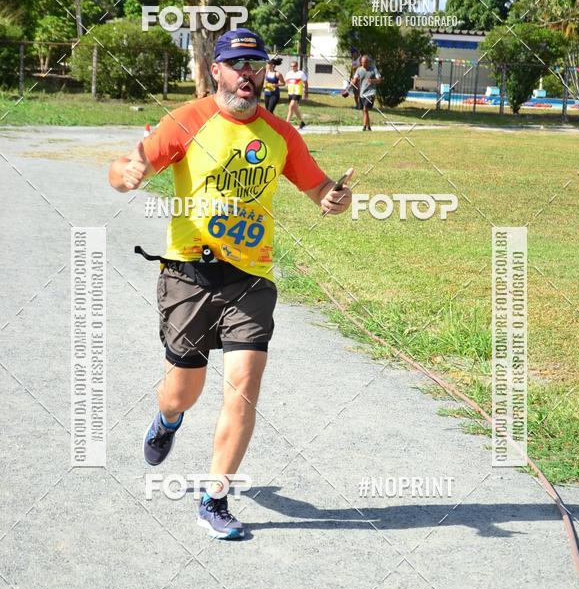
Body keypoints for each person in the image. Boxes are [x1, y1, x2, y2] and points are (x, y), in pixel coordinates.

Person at [108, 28, 353, 540]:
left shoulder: (280, 135)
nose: (248, 74)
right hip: (188, 274)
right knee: (183, 391)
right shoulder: (188, 120)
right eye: (237, 64)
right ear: (216, 70)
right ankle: (167, 419)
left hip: (251, 277)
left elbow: (320, 190)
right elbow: (125, 168)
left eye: (256, 64)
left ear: (266, 72)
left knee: (243, 389)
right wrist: (125, 174)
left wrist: (334, 199)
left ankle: (214, 498)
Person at [352, 54, 382, 131]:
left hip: (371, 93)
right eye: (362, 62)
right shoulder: (359, 70)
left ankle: (364, 127)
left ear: (368, 62)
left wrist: (372, 80)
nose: (363, 64)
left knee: (365, 109)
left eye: (365, 62)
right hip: (362, 93)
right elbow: (354, 80)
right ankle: (368, 126)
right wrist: (353, 81)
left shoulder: (373, 69)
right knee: (365, 110)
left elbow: (379, 80)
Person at [284, 59, 308, 128]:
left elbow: (306, 83)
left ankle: (287, 123)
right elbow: (286, 81)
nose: (292, 67)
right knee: (294, 108)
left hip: (297, 92)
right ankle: (301, 122)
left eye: (294, 66)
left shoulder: (301, 73)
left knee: (291, 106)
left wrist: (306, 92)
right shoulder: (288, 73)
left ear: (297, 66)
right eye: (291, 66)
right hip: (290, 92)